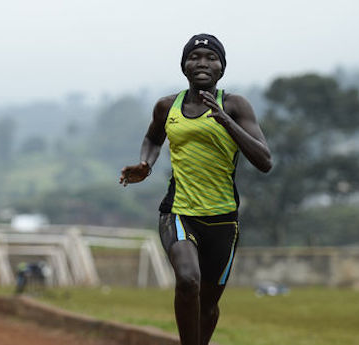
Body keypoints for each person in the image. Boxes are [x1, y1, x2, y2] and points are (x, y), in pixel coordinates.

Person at [119, 33, 271, 345]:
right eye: (195, 57)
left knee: (209, 305)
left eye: (211, 58)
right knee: (188, 281)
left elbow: (264, 160)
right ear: (184, 65)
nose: (202, 63)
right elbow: (152, 138)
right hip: (178, 212)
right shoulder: (166, 106)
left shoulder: (236, 105)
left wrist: (226, 121)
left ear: (222, 68)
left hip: (223, 219)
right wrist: (145, 164)